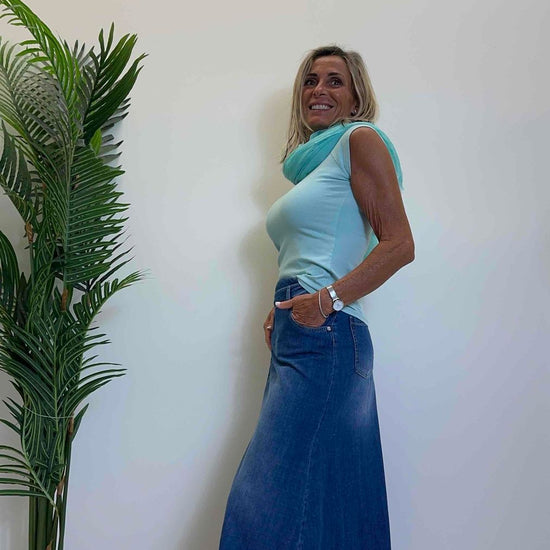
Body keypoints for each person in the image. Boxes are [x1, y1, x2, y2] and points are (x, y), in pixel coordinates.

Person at [219, 44, 414, 550]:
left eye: (334, 81)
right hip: (307, 331)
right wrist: (284, 303)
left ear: (356, 97)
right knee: (331, 502)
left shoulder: (360, 140)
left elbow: (400, 244)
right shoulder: (314, 165)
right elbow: (317, 248)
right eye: (310, 81)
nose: (318, 90)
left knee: (265, 500)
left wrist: (324, 299)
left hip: (327, 333)